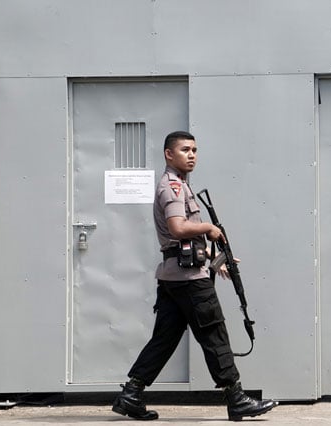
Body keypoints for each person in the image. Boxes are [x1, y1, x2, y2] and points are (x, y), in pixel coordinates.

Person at [112, 131, 278, 421]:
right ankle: (236, 399)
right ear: (168, 154)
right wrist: (209, 230)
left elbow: (182, 244)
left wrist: (215, 259)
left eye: (195, 150)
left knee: (164, 338)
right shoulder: (173, 187)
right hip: (189, 281)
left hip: (175, 277)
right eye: (185, 150)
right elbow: (178, 229)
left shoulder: (179, 186)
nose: (192, 155)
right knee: (214, 333)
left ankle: (132, 394)